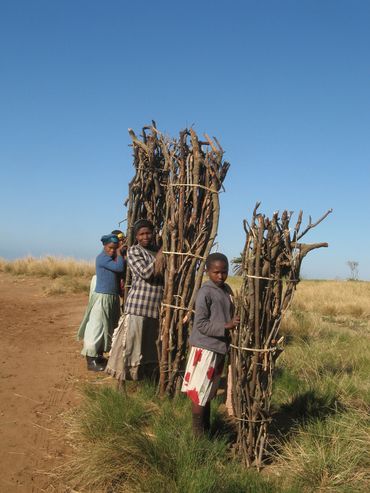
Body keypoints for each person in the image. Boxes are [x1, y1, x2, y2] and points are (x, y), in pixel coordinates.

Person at [181, 252, 239, 436]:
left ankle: (206, 430)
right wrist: (226, 326)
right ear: (207, 272)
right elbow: (201, 324)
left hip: (218, 348)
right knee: (199, 392)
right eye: (216, 272)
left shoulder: (226, 289)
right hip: (205, 348)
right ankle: (198, 435)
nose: (220, 276)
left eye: (224, 272)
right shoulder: (205, 292)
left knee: (207, 392)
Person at [106, 219, 164, 382]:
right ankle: (122, 383)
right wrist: (161, 255)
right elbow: (146, 273)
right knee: (130, 348)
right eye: (141, 234)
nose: (145, 237)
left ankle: (143, 382)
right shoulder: (134, 251)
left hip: (155, 309)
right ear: (136, 236)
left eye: (148, 233)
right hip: (138, 307)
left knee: (148, 349)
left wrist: (160, 253)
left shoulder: (156, 250)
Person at [77, 234, 125, 372]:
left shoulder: (109, 257)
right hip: (102, 297)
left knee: (106, 327)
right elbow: (120, 268)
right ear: (104, 246)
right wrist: (119, 253)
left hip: (110, 297)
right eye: (110, 248)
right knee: (96, 327)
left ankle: (98, 356)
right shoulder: (102, 258)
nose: (112, 251)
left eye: (114, 248)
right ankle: (90, 360)